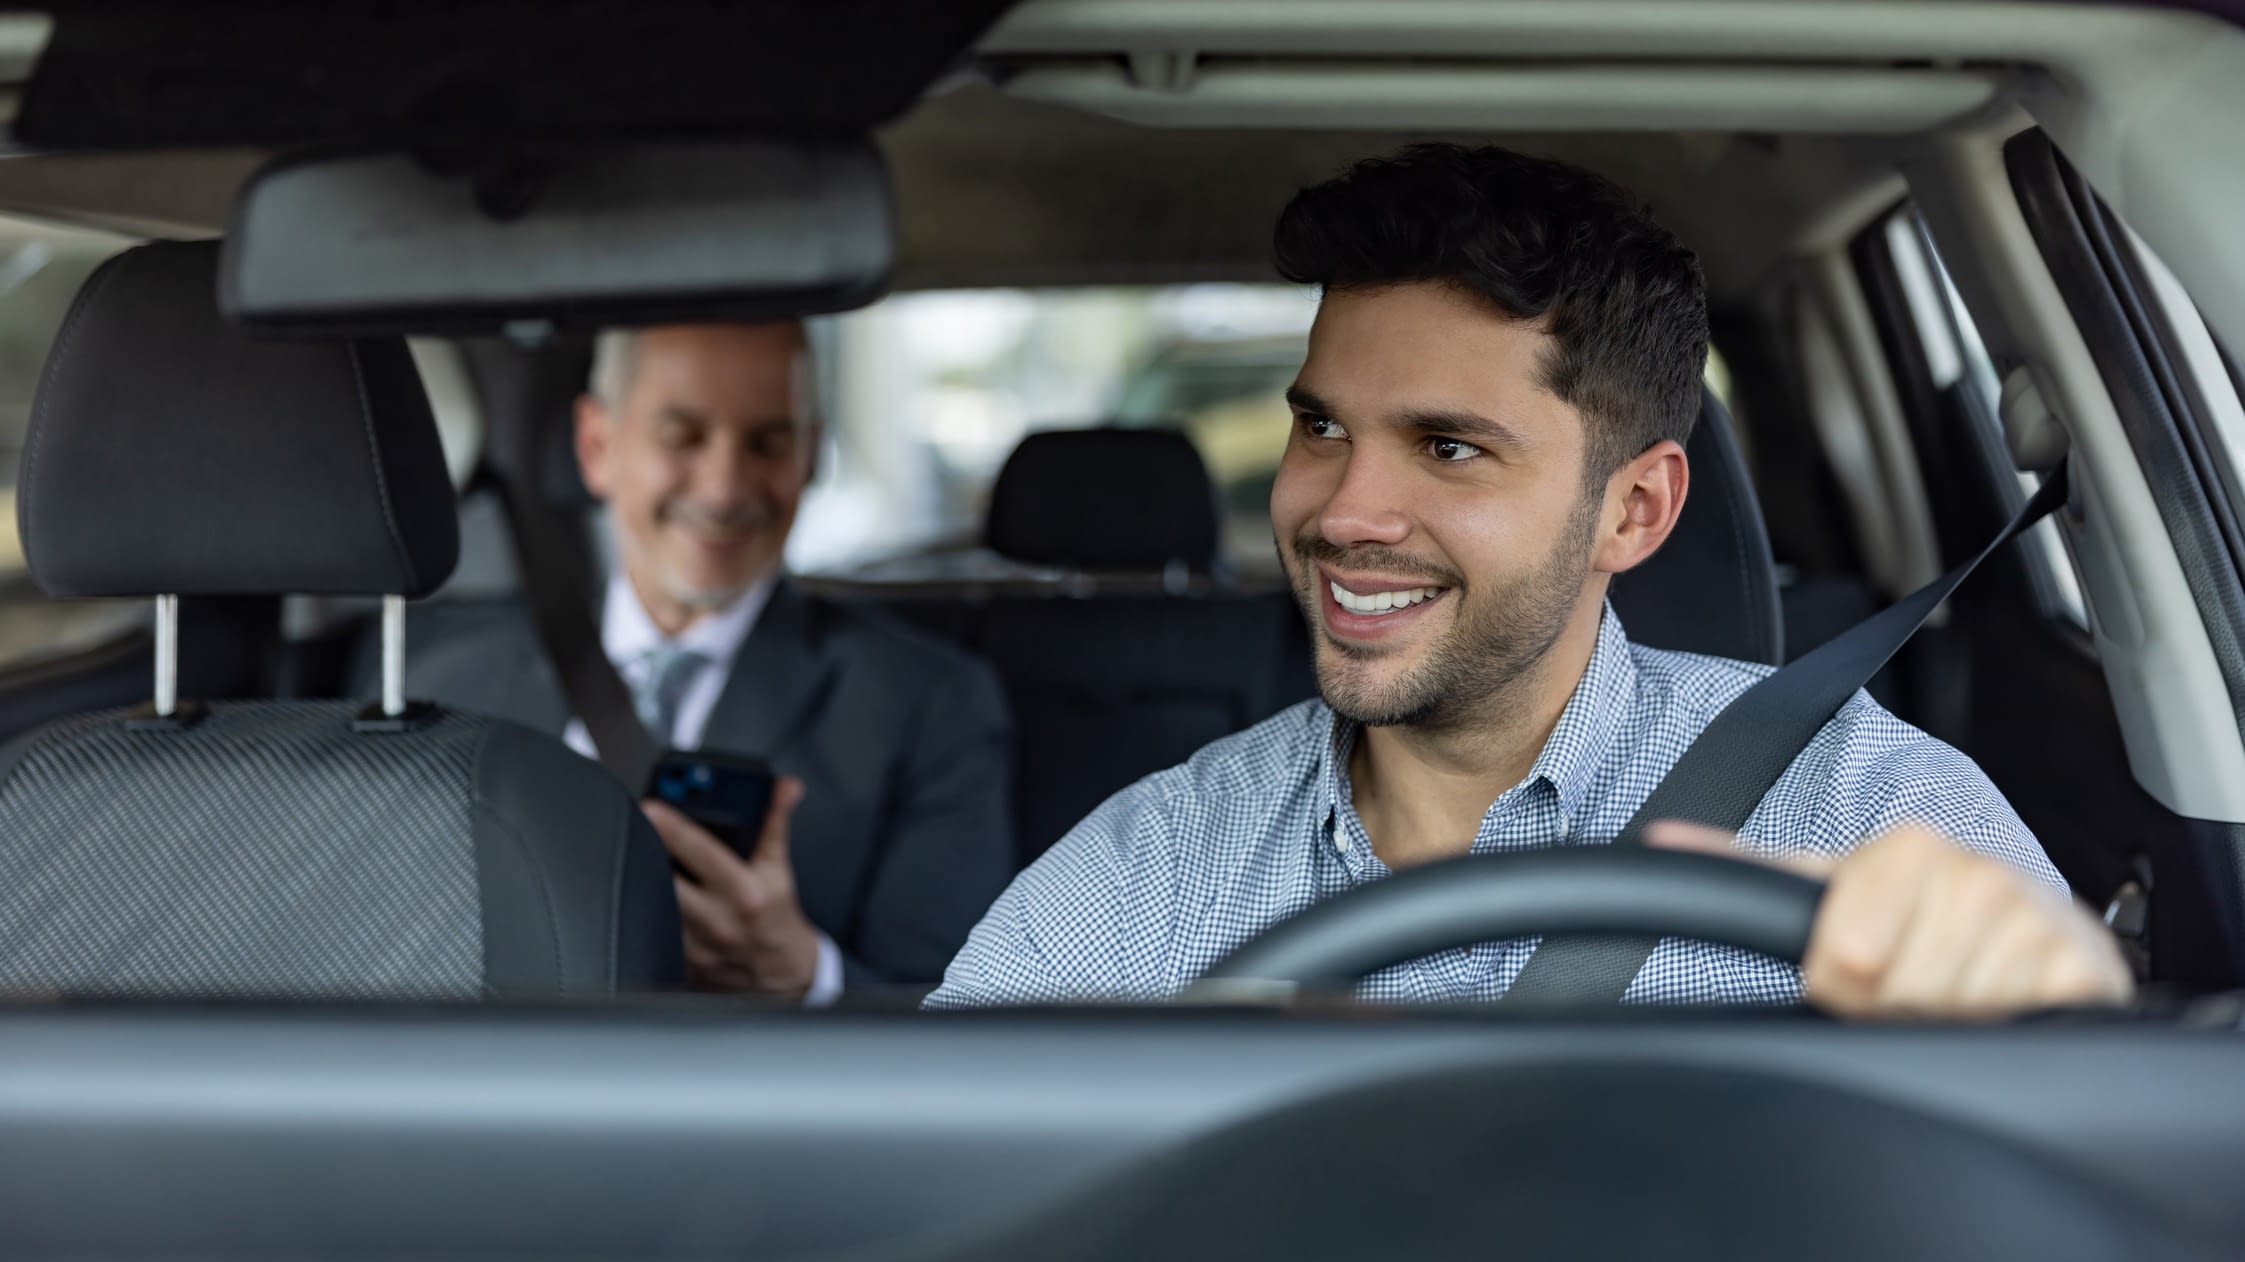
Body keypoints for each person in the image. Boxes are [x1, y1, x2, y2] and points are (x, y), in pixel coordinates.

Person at [927, 144, 2132, 1017]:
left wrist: (2057, 1012)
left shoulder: (1864, 815)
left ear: (1634, 508)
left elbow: (2094, 1175)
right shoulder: (1164, 860)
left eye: (1449, 447)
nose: (1343, 511)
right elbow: (938, 1165)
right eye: (1322, 428)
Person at [404, 321, 1016, 1001]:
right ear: (597, 445)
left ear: (810, 458)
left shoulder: (926, 704)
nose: (725, 488)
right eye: (682, 436)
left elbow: (956, 1019)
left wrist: (807, 975)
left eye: (768, 442)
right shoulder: (438, 691)